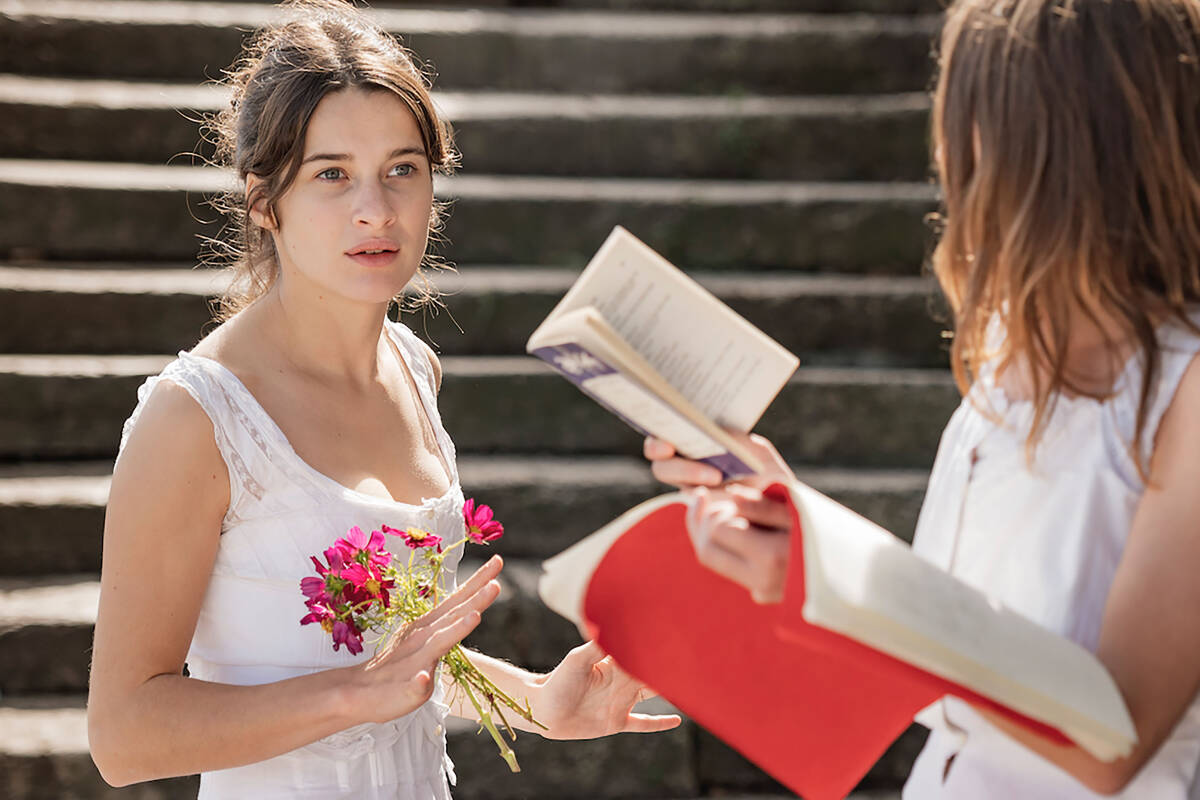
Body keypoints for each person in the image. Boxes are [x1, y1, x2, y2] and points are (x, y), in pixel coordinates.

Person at [86, 1, 679, 797]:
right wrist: (349, 696)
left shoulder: (413, 367)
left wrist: (535, 702)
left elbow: (399, 650)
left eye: (403, 168)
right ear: (266, 202)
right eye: (332, 174)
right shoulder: (195, 420)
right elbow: (123, 738)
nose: (377, 208)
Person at [645, 0, 1200, 796]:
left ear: (1058, 150)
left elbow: (1113, 737)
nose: (946, 154)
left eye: (969, 118)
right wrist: (799, 517)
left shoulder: (1188, 385)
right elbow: (955, 645)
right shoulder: (1013, 357)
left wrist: (834, 578)